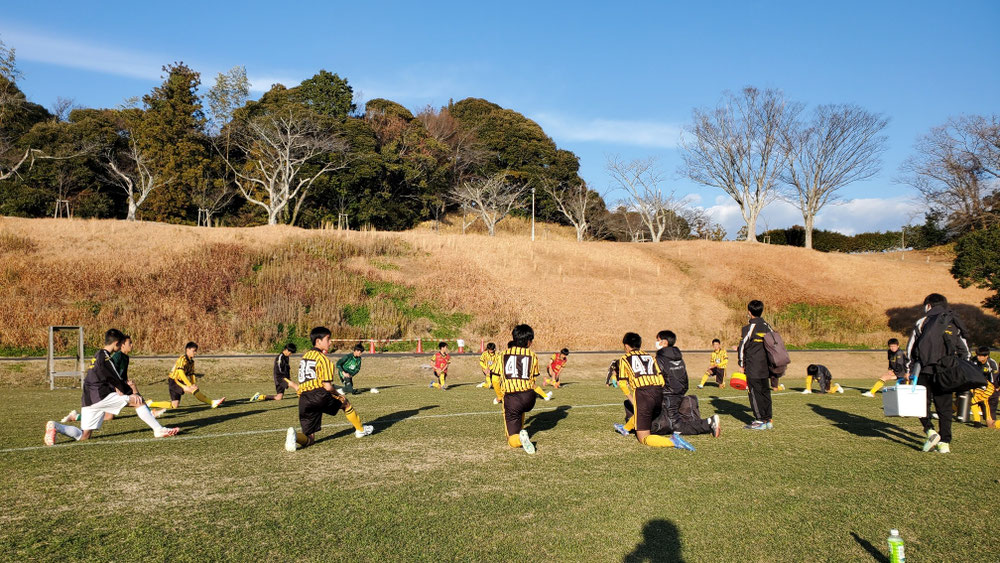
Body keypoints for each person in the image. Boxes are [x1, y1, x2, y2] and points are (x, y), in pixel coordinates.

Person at [45, 329, 179, 445]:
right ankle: (158, 430)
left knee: (84, 435)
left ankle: (56, 426)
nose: (121, 346)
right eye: (120, 343)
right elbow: (115, 378)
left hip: (88, 398)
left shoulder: (97, 355)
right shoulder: (106, 358)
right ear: (116, 343)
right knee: (138, 402)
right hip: (100, 396)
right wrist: (131, 393)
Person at [284, 327, 373, 451]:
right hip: (318, 394)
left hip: (303, 398)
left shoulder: (305, 357)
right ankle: (360, 430)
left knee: (310, 439)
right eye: (328, 339)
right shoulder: (323, 359)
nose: (330, 342)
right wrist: (338, 394)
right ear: (318, 341)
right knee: (345, 403)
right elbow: (327, 386)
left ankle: (294, 437)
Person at [906, 293, 970, 454]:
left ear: (928, 305)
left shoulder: (923, 322)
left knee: (920, 405)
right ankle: (945, 442)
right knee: (945, 408)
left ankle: (930, 430)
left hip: (925, 370)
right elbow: (965, 351)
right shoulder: (953, 321)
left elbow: (911, 349)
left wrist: (909, 369)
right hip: (946, 371)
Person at [615, 332, 693, 450]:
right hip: (658, 392)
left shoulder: (624, 359)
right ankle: (625, 428)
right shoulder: (650, 356)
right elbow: (661, 377)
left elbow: (622, 383)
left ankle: (673, 441)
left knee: (643, 438)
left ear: (626, 346)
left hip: (643, 393)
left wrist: (630, 397)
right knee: (642, 414)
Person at [654, 330, 720, 438]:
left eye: (658, 340)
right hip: (679, 392)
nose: (656, 343)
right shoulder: (678, 358)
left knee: (676, 427)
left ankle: (709, 423)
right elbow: (683, 377)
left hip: (668, 395)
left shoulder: (660, 359)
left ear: (664, 342)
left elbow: (658, 379)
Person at [61, 334, 139, 424]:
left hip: (116, 386)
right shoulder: (117, 357)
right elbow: (111, 374)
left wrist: (127, 384)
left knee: (112, 414)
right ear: (122, 345)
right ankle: (76, 416)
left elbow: (122, 375)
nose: (132, 345)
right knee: (111, 415)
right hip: (109, 388)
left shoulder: (126, 357)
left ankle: (148, 411)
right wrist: (119, 388)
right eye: (130, 343)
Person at [493, 324, 543, 454]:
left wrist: (499, 395)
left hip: (512, 398)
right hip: (529, 398)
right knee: (520, 411)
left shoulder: (502, 355)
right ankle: (521, 430)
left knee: (511, 438)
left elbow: (495, 379)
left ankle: (519, 439)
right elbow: (533, 378)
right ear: (528, 341)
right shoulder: (533, 356)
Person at [146, 342, 225, 411]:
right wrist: (190, 385)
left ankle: (150, 403)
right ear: (187, 350)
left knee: (174, 405)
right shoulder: (182, 359)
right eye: (193, 351)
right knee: (192, 390)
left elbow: (192, 374)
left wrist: (193, 383)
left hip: (179, 381)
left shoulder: (191, 362)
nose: (195, 353)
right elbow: (180, 373)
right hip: (174, 381)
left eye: (196, 351)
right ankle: (212, 402)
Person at [739, 300, 775, 430]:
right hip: (765, 367)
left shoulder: (749, 328)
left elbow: (742, 346)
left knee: (754, 392)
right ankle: (768, 419)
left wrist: (741, 364)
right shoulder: (767, 326)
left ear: (749, 312)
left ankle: (759, 420)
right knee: (765, 392)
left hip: (753, 366)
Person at [970, 346, 998, 428]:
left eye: (981, 356)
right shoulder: (973, 361)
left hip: (989, 390)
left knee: (990, 424)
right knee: (971, 399)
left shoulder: (992, 364)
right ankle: (977, 421)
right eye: (977, 355)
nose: (978, 357)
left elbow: (993, 382)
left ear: (986, 356)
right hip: (976, 386)